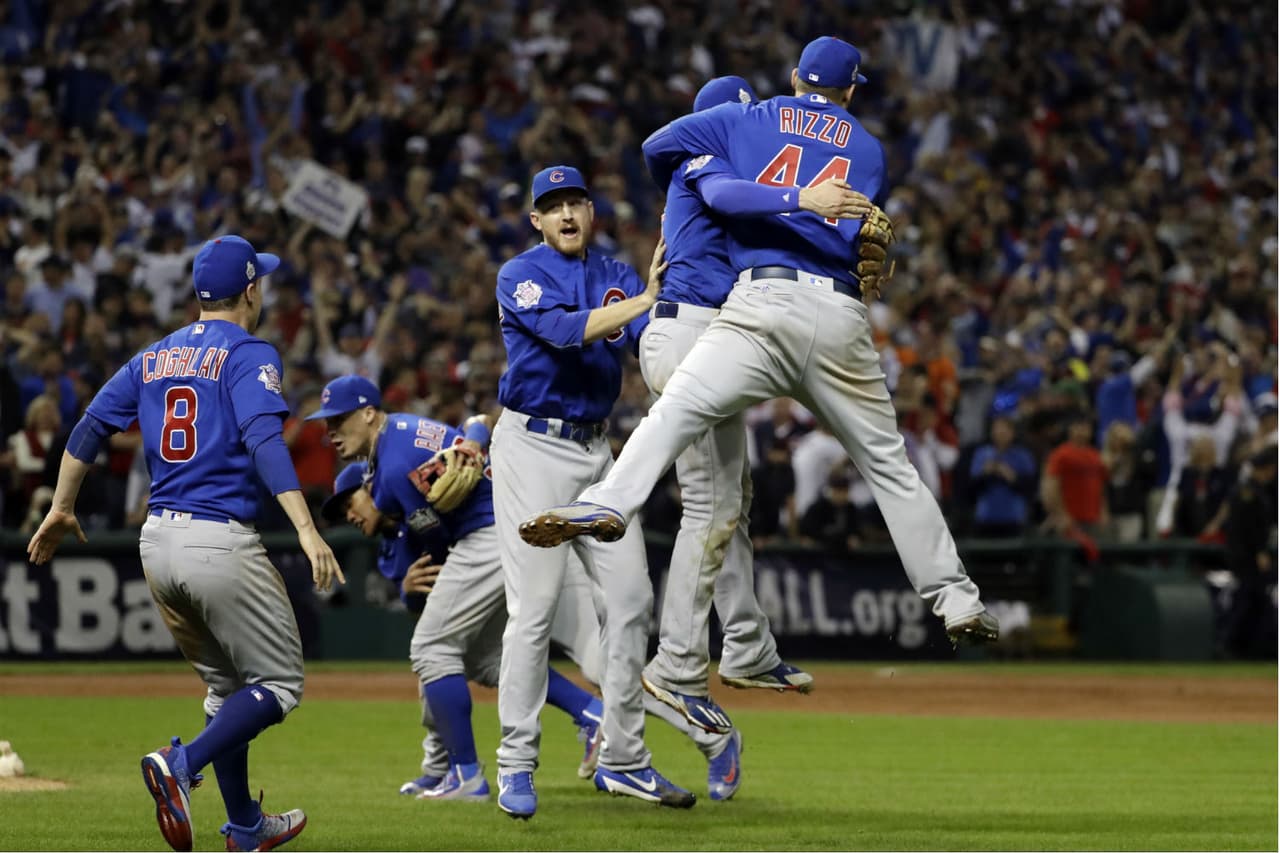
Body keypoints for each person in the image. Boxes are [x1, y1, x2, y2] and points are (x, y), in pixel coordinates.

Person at [520, 37, 999, 648]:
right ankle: (957, 600)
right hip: (840, 312)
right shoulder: (870, 149)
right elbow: (856, 236)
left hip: (762, 303)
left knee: (678, 408)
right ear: (850, 92)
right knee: (889, 466)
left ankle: (611, 501)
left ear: (796, 76)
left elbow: (659, 148)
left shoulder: (749, 118)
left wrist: (732, 168)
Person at [26, 234, 343, 853]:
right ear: (250, 290)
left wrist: (62, 506)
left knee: (226, 691)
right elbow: (263, 439)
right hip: (216, 540)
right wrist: (307, 529)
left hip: (157, 543)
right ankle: (181, 764)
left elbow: (89, 427)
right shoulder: (250, 353)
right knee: (279, 684)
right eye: (260, 282)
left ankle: (245, 827)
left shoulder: (154, 355)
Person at [629, 74, 871, 738]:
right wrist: (806, 200)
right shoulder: (706, 159)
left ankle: (746, 645)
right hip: (691, 334)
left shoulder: (731, 170)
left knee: (730, 501)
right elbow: (729, 195)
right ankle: (676, 666)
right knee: (710, 507)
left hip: (704, 336)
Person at [490, 165, 695, 818]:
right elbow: (564, 332)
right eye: (552, 206)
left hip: (596, 452)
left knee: (632, 599)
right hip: (532, 447)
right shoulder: (519, 274)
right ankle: (515, 762)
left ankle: (624, 759)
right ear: (536, 220)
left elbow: (649, 342)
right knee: (534, 609)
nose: (566, 214)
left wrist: (686, 325)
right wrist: (646, 300)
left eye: (575, 201)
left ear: (590, 210)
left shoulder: (618, 273)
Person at [308, 376, 606, 801]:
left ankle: (464, 774)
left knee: (432, 649)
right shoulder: (406, 433)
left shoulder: (391, 469)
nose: (331, 432)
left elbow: (436, 542)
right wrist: (475, 440)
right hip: (512, 524)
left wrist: (475, 443)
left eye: (338, 420)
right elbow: (478, 421)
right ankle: (592, 714)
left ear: (369, 413)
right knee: (488, 660)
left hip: (487, 533)